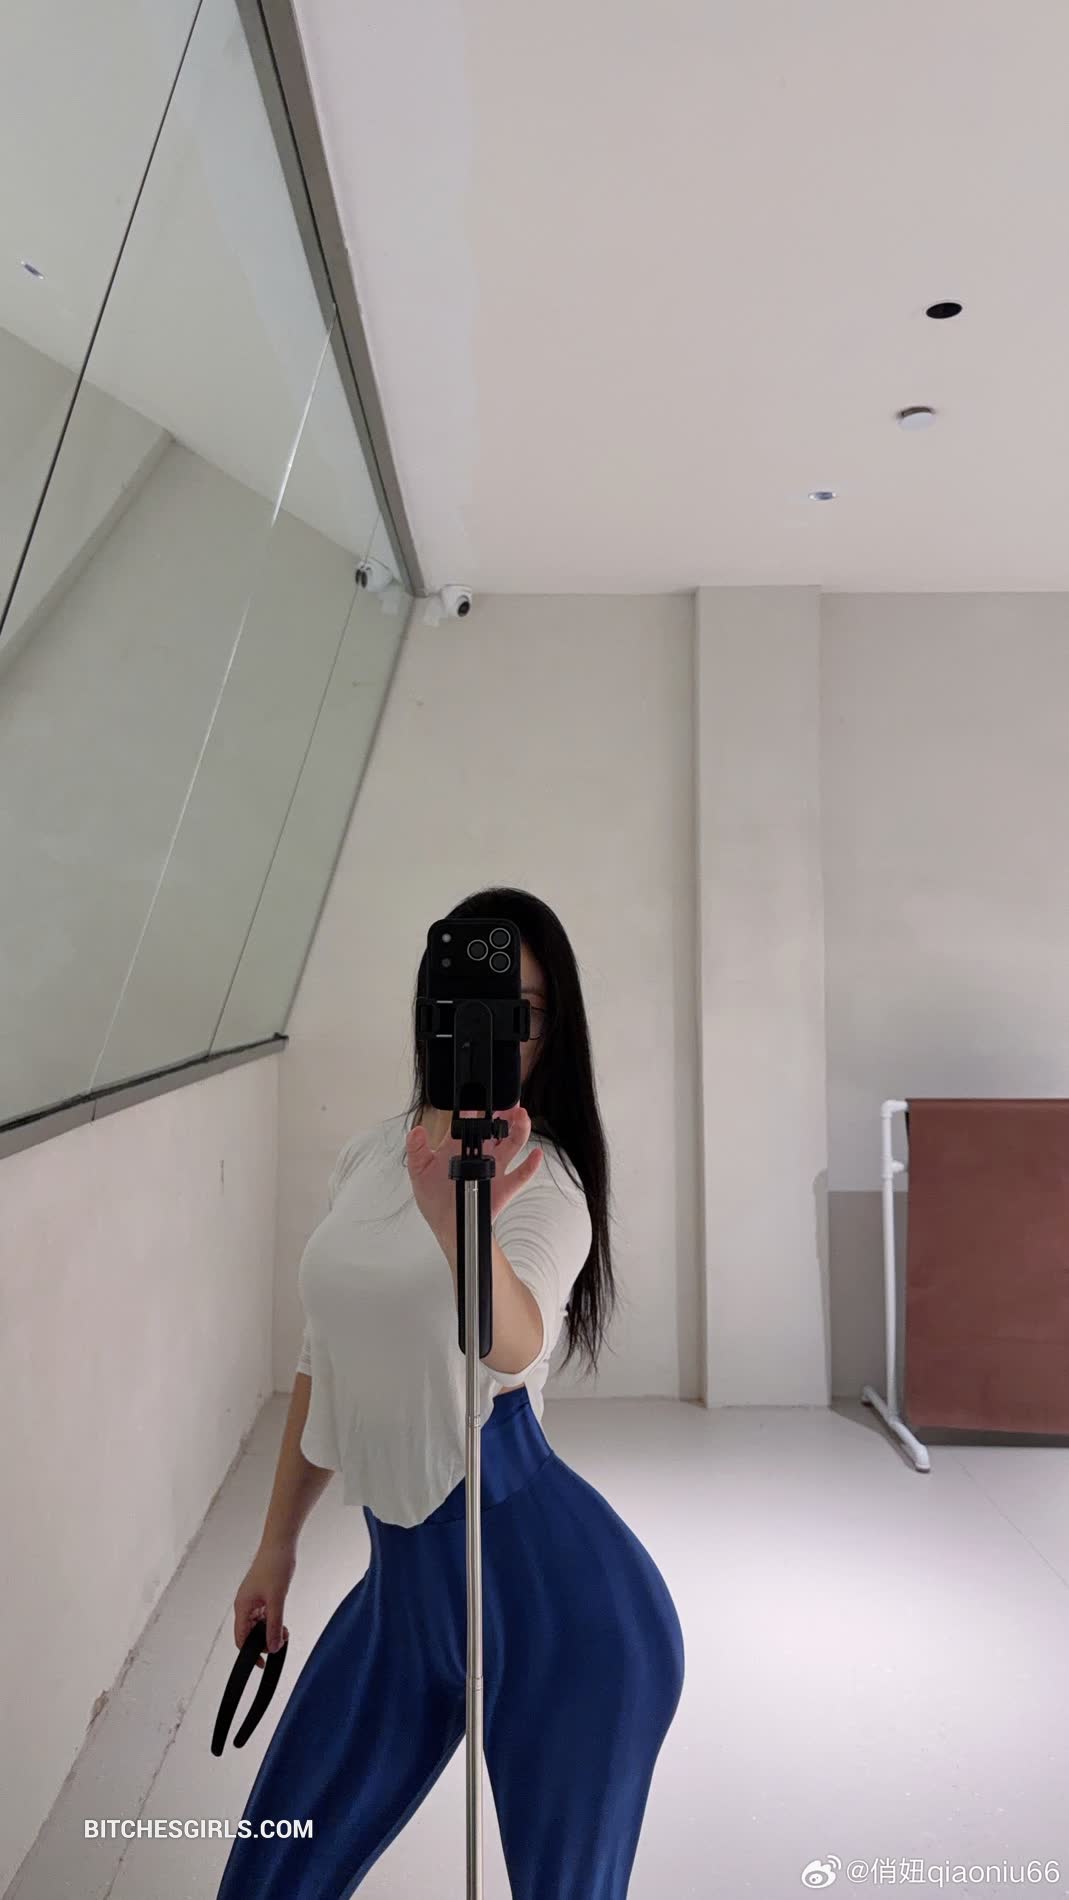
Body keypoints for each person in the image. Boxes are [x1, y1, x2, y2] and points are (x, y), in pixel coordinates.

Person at [215, 887, 685, 1900]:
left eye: (524, 1010)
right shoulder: (369, 1156)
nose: (496, 1029)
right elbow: (321, 1359)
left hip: (566, 1623)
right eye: (475, 1000)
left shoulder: (545, 1180)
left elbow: (513, 1340)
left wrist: (460, 1221)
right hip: (402, 1601)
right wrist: (276, 1546)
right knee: (266, 1879)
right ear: (433, 1004)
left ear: (551, 1031)